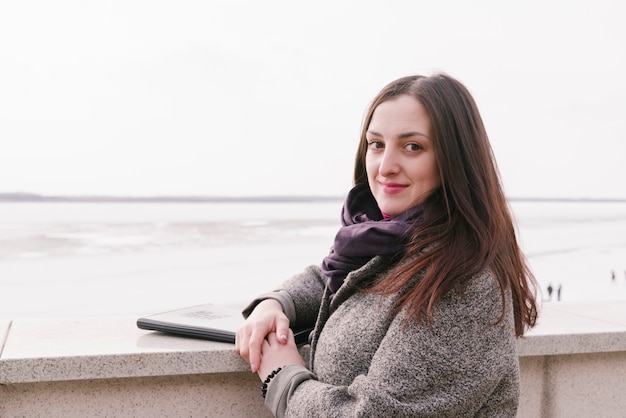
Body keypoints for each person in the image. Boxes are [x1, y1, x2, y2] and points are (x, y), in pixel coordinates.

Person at [236, 73, 539, 417]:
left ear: (454, 160)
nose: (385, 166)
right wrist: (275, 304)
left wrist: (282, 377)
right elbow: (333, 278)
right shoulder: (392, 239)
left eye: (413, 147)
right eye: (377, 144)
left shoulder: (463, 282)